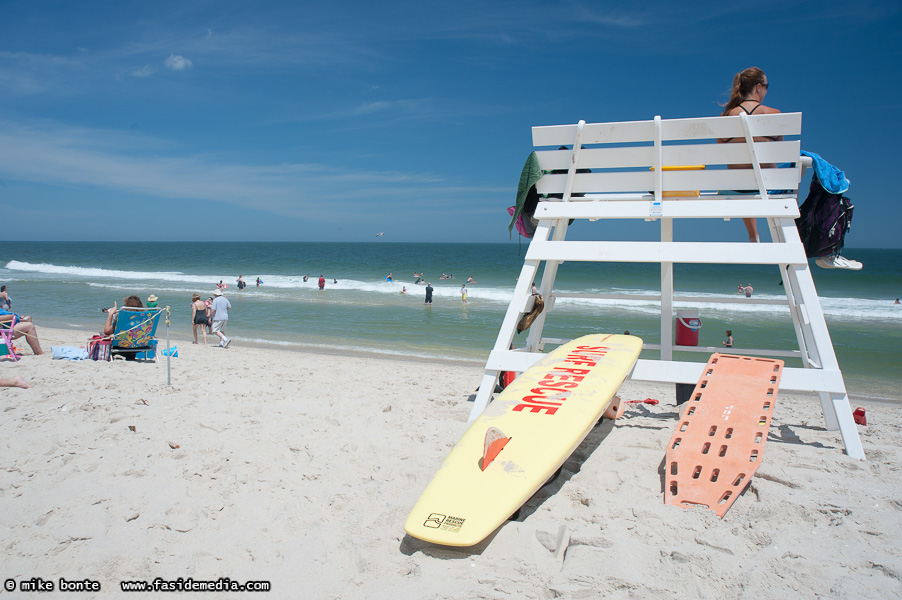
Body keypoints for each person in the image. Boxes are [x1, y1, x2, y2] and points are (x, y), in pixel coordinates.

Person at [718, 67, 782, 243]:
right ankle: (782, 231)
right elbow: (776, 153)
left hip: (737, 186)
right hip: (767, 184)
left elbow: (723, 156)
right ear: (759, 87)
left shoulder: (725, 117)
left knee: (744, 177)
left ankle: (753, 235)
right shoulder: (774, 114)